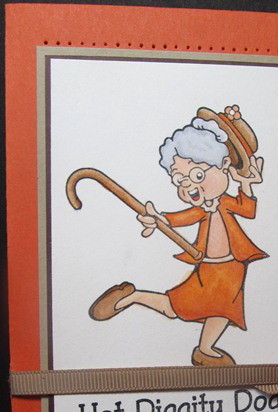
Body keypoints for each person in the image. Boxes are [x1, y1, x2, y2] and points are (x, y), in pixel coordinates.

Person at [89, 105, 268, 366]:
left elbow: (248, 210)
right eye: (179, 180)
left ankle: (205, 349)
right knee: (175, 307)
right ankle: (131, 297)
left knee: (223, 310)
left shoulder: (226, 203)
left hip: (232, 268)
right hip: (208, 269)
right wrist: (160, 220)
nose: (189, 187)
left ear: (224, 165)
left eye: (197, 175)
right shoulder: (201, 209)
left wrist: (246, 186)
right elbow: (181, 218)